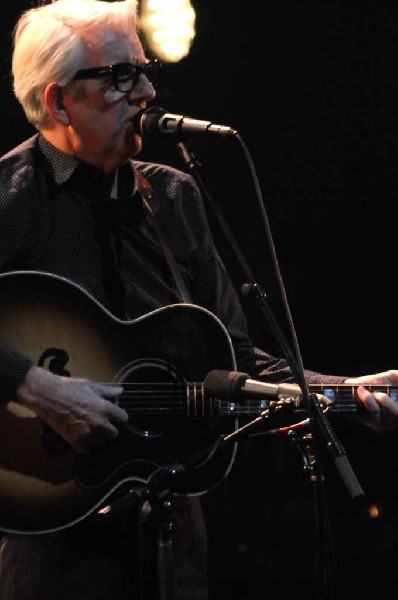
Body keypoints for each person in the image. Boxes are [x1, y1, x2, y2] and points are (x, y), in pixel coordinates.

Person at [0, 0, 398, 598]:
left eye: (145, 69)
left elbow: (232, 362)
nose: (146, 92)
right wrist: (39, 386)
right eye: (121, 76)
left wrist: (342, 390)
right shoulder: (11, 200)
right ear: (59, 102)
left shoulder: (174, 198)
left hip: (174, 533)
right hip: (46, 530)